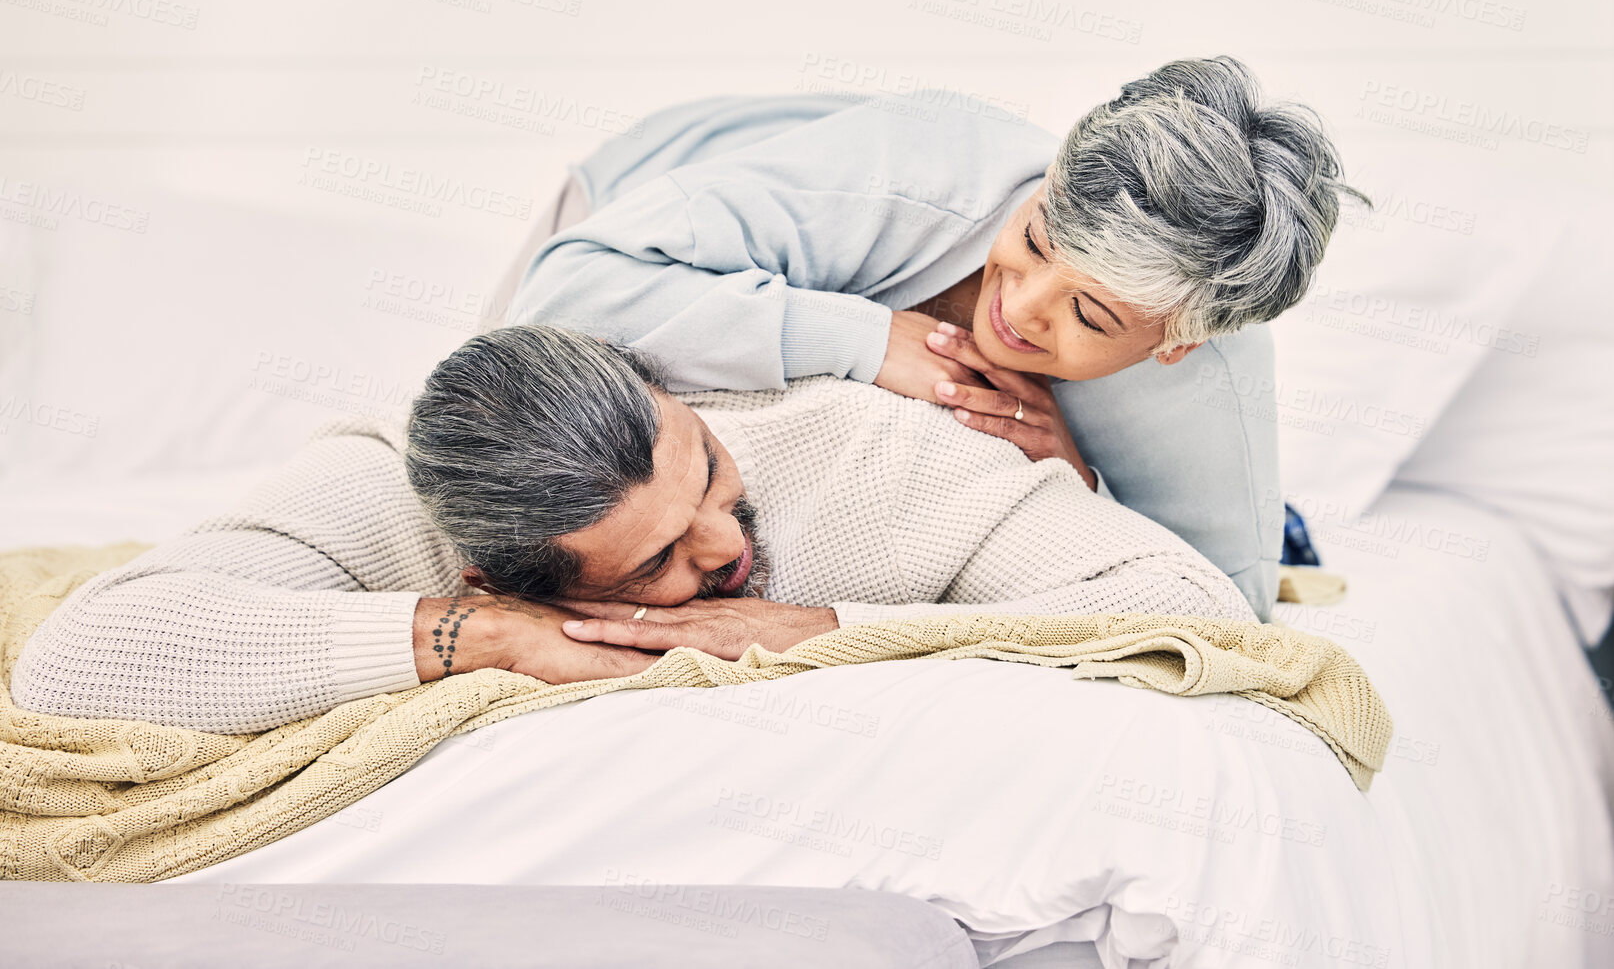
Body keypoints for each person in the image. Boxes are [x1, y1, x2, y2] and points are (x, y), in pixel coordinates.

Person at [9, 325, 1252, 735]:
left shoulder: (870, 451)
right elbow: (83, 659)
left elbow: (1196, 614)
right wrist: (477, 639)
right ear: (492, 569)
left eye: (704, 473)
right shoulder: (389, 483)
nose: (720, 544)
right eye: (656, 560)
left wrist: (824, 628)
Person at [500, 58, 1363, 620]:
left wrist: (1080, 484)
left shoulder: (1207, 380)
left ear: (1174, 342)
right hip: (635, 203)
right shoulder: (916, 166)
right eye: (1033, 241)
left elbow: (1224, 613)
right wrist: (867, 339)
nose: (1021, 312)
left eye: (1090, 316)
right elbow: (563, 296)